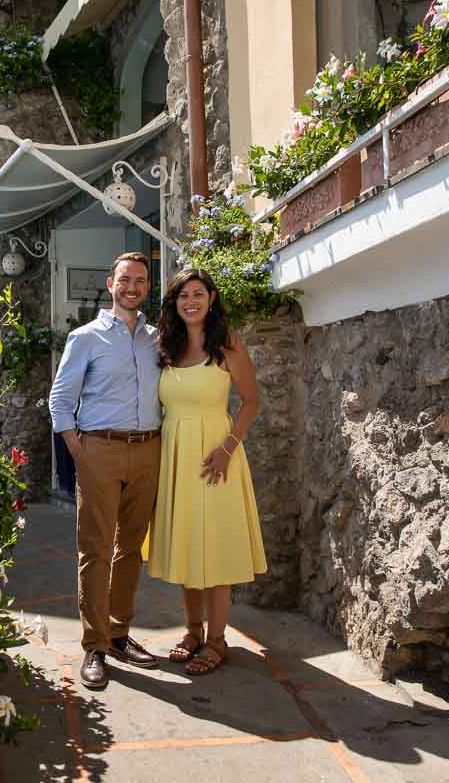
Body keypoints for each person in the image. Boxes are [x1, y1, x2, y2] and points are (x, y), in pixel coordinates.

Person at [49, 252, 162, 690]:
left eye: (140, 280)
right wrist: (80, 450)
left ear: (147, 287)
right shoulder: (86, 337)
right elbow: (60, 400)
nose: (132, 287)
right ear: (109, 283)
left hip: (148, 449)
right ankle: (94, 645)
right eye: (125, 280)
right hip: (100, 449)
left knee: (131, 548)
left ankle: (119, 634)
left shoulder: (157, 339)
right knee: (95, 549)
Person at [146, 268, 267, 675]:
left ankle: (217, 640)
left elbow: (251, 402)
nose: (190, 301)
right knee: (187, 542)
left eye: (197, 293)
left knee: (214, 547)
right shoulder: (166, 345)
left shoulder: (227, 343)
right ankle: (193, 631)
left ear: (211, 298)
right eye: (182, 295)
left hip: (217, 455)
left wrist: (227, 449)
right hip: (175, 454)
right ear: (174, 303)